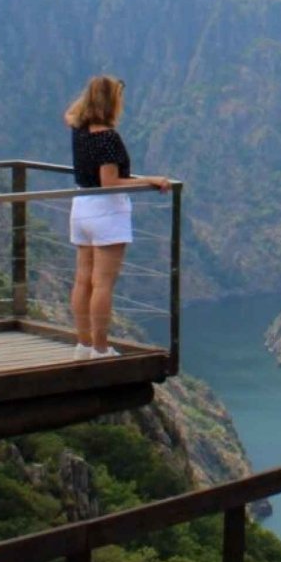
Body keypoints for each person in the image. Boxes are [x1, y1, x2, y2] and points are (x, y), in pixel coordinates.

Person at [65, 75, 170, 360]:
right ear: (112, 103)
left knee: (82, 280)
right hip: (106, 212)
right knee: (102, 284)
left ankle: (83, 345)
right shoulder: (108, 138)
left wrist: (93, 92)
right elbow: (109, 181)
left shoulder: (78, 127)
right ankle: (100, 348)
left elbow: (71, 112)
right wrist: (151, 180)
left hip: (81, 207)